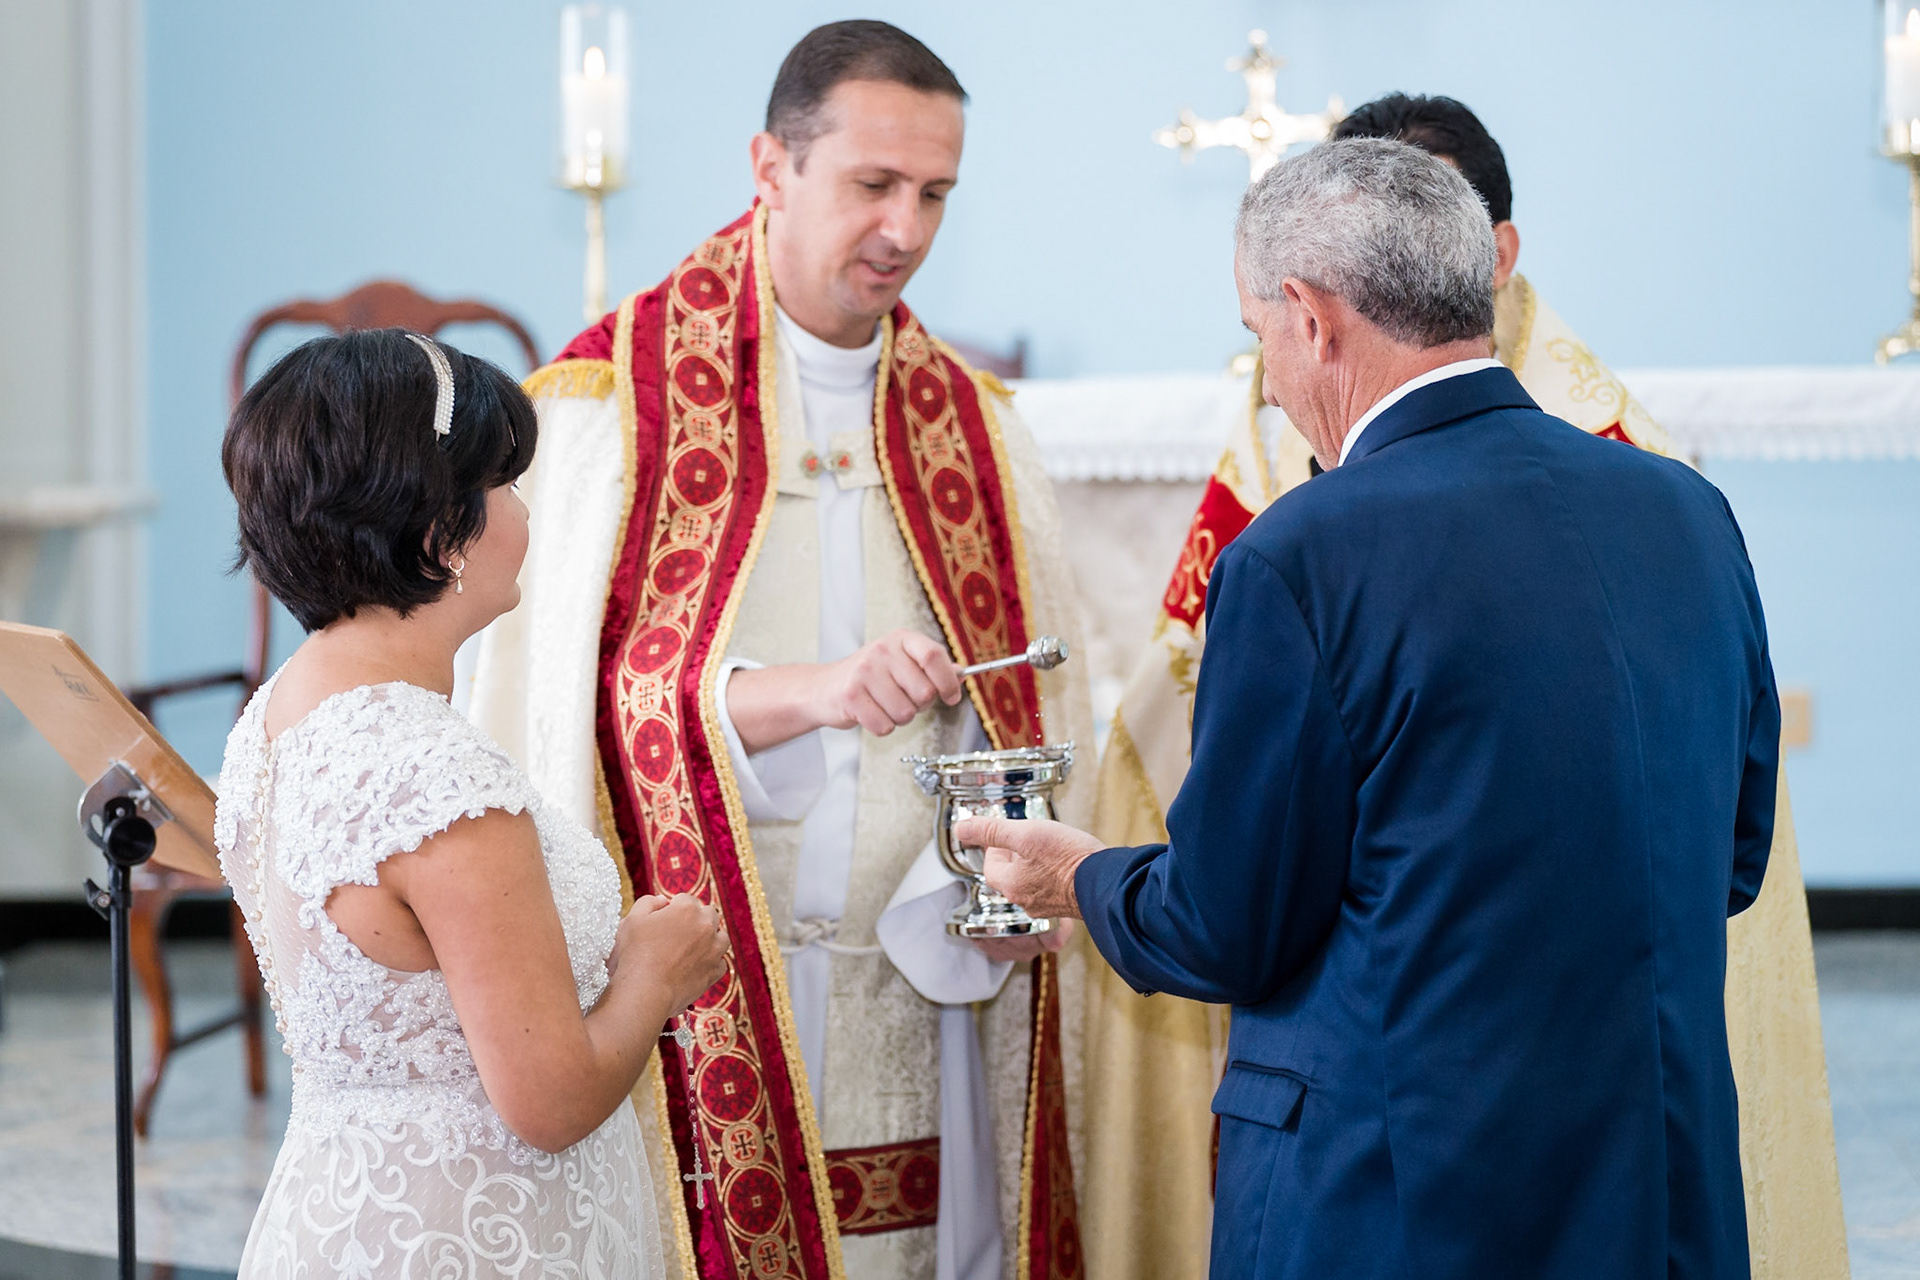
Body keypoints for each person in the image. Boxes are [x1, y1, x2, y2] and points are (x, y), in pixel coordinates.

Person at [964, 138, 1777, 1279]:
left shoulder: (1303, 554)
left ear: (1308, 315)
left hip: (1396, 1199)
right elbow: (1731, 859)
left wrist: (1081, 875)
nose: (1271, 378)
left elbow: (1227, 922)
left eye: (1258, 339)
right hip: (1651, 1180)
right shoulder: (1688, 512)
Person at [471, 20, 1092, 1280]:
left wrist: (1013, 865)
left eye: (934, 194)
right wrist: (806, 695)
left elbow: (1035, 688)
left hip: (915, 994)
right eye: (874, 184)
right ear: (771, 167)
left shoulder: (977, 429)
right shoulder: (610, 412)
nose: (906, 230)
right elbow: (558, 719)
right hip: (693, 1005)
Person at [215, 329, 730, 1278]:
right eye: (503, 487)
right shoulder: (434, 780)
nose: (523, 514)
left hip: (344, 1211)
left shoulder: (282, 709)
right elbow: (551, 1100)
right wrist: (655, 972)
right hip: (473, 1239)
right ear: (438, 528)